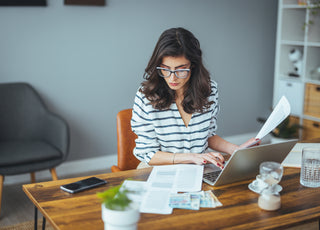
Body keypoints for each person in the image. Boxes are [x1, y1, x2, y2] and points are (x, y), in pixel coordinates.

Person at [131, 27, 258, 169]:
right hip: (160, 169)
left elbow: (208, 136)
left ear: (193, 65)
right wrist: (191, 157)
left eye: (181, 69)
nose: (172, 77)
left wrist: (234, 149)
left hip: (198, 167)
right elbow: (147, 153)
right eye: (165, 69)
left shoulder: (209, 90)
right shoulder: (146, 96)